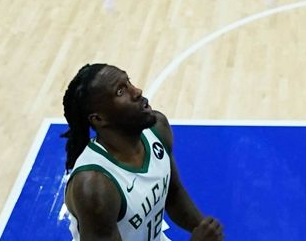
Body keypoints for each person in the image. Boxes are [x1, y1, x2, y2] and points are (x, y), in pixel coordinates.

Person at [62, 63, 224, 241]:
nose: (137, 91)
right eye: (120, 91)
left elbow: (173, 194)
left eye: (129, 82)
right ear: (99, 119)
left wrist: (204, 229)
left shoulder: (157, 129)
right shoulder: (96, 187)